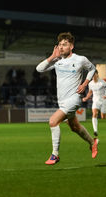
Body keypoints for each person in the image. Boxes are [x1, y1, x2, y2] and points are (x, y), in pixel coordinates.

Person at [36, 32, 98, 165]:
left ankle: (55, 155)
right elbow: (39, 69)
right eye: (60, 45)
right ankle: (93, 143)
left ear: (72, 46)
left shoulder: (80, 59)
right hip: (62, 101)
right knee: (74, 127)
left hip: (74, 99)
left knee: (53, 121)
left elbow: (92, 69)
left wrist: (85, 83)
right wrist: (53, 56)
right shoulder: (57, 61)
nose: (62, 47)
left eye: (65, 44)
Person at [83, 70, 106, 136]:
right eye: (92, 75)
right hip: (95, 100)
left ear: (97, 74)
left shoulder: (102, 82)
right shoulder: (90, 83)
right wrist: (86, 98)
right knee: (94, 113)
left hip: (103, 100)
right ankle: (95, 130)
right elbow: (90, 92)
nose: (93, 76)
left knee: (103, 117)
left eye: (94, 74)